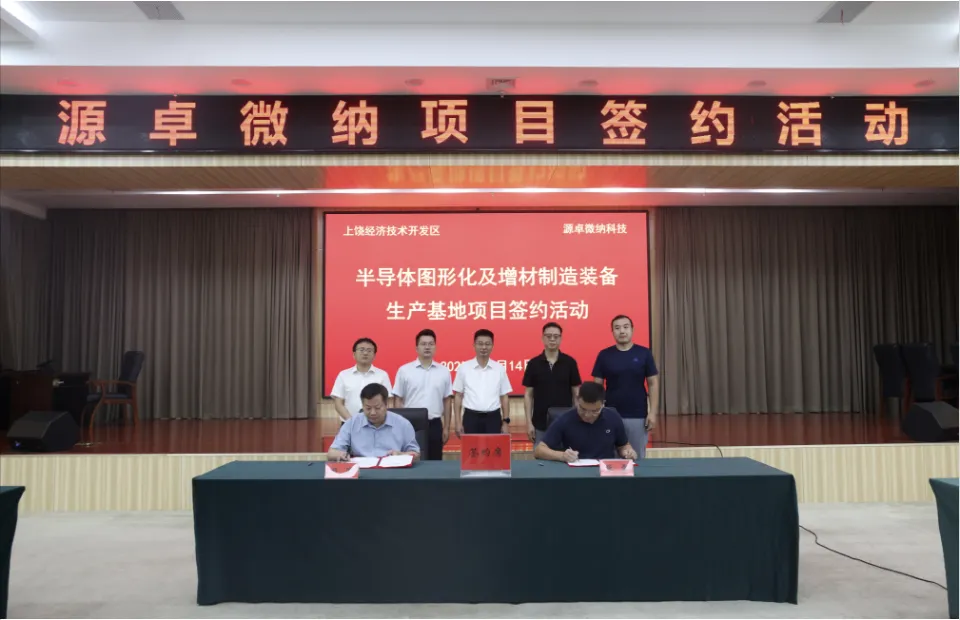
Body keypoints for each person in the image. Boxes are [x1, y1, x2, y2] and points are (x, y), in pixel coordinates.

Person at [591, 314, 659, 459]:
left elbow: (653, 383)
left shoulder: (644, 353)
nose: (622, 331)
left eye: (625, 327)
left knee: (636, 457)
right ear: (612, 332)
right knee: (610, 459)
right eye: (617, 328)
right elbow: (597, 385)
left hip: (637, 415)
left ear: (632, 329)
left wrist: (652, 412)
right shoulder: (604, 355)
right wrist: (596, 410)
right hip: (610, 415)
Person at [534, 382, 637, 462]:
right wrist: (562, 456)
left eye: (594, 411)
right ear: (577, 400)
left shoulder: (613, 417)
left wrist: (628, 452)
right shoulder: (564, 419)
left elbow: (623, 445)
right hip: (576, 470)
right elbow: (539, 450)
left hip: (605, 471)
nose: (587, 415)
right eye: (583, 409)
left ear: (603, 404)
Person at [392, 329, 453, 460]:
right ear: (416, 348)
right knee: (411, 461)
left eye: (431, 344)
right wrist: (399, 426)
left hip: (435, 424)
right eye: (423, 344)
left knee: (435, 461)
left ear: (435, 347)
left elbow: (447, 400)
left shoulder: (443, 371)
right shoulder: (404, 370)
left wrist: (446, 428)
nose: (427, 347)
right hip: (410, 425)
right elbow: (398, 399)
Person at [522, 322, 582, 446]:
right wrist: (529, 423)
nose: (552, 339)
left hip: (565, 422)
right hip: (540, 423)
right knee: (540, 456)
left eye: (556, 336)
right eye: (548, 336)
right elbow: (528, 395)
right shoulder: (533, 363)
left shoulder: (570, 362)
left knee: (566, 455)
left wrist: (578, 419)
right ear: (542, 338)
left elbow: (576, 393)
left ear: (561, 338)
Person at [327, 383, 420, 462]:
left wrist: (401, 455)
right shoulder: (352, 423)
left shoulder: (403, 424)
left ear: (386, 404)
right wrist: (341, 455)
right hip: (361, 472)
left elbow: (416, 455)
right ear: (362, 405)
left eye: (377, 408)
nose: (373, 413)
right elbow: (331, 453)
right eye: (368, 408)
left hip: (392, 471)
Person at [454, 329, 512, 435]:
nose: (484, 347)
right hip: (471, 417)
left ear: (492, 346)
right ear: (474, 345)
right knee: (471, 446)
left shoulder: (499, 369)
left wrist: (505, 422)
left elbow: (504, 397)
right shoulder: (464, 368)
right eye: (480, 344)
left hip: (493, 418)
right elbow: (458, 396)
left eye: (487, 344)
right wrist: (457, 422)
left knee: (494, 445)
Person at [330, 337, 393, 423]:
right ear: (354, 354)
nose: (365, 353)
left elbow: (388, 402)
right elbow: (338, 403)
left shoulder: (382, 375)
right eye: (361, 350)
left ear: (374, 355)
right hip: (349, 423)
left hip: (376, 424)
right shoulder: (343, 375)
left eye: (369, 350)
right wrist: (351, 421)